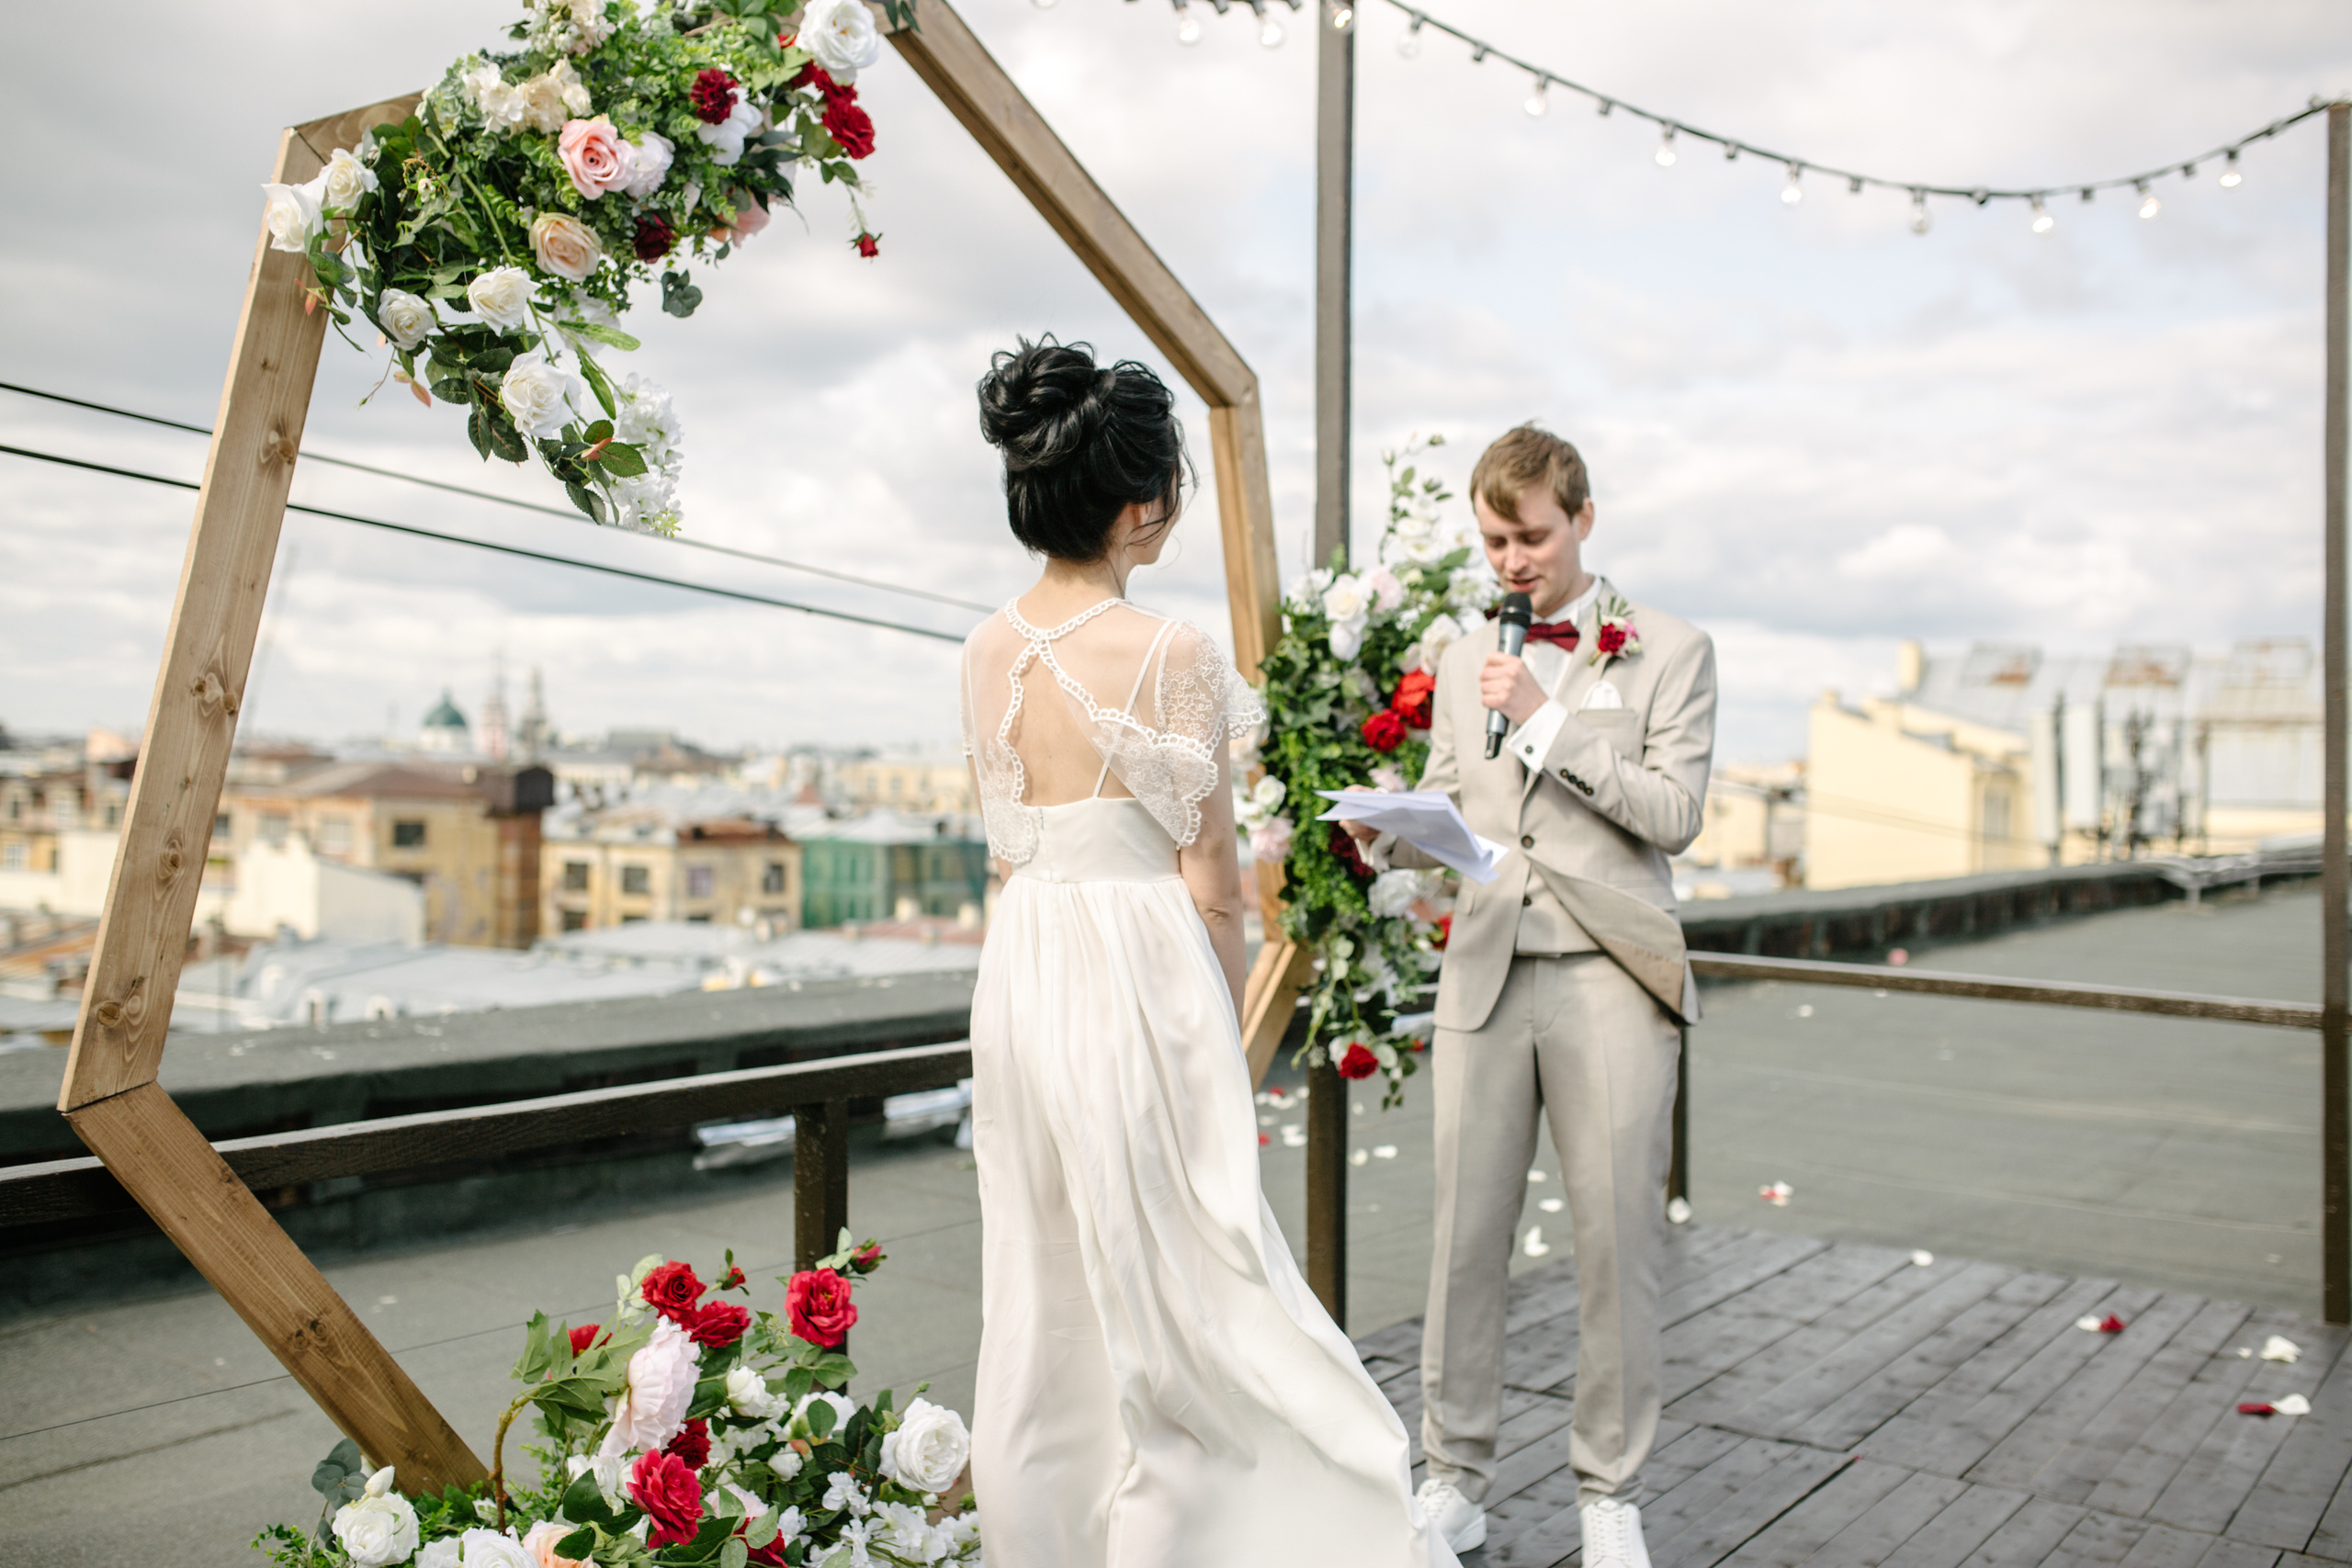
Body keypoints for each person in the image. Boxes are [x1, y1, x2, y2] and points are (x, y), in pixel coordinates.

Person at [958, 337, 1458, 1568]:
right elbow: (1216, 884)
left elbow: (1007, 852)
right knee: (1195, 1271)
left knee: (1041, 1272)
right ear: (1139, 506)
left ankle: (1045, 1534)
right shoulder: (1173, 652)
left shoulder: (981, 649)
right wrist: (1222, 1042)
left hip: (1023, 966)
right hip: (1139, 966)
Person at [1346, 424, 1716, 1564]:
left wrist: (1550, 719)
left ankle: (1608, 1491)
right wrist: (1392, 838)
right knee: (1464, 1236)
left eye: (1532, 535)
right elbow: (1462, 803)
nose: (1511, 559)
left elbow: (1672, 815)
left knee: (1613, 1240)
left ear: (1583, 520)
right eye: (1495, 538)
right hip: (1487, 969)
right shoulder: (1465, 659)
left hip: (1611, 972)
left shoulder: (1671, 647)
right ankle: (1452, 1476)